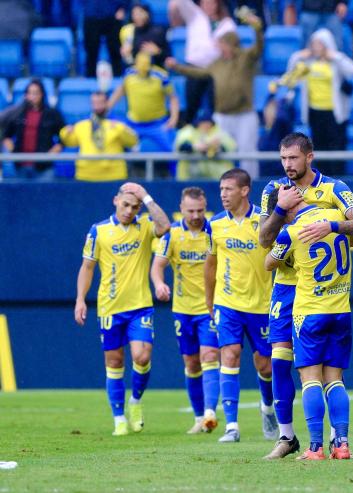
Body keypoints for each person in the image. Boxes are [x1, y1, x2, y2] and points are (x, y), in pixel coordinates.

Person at [258, 132, 353, 460]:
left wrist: (332, 228)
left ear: (309, 157)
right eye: (283, 159)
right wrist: (281, 210)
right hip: (288, 288)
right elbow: (264, 240)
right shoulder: (274, 191)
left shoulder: (336, 189)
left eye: (293, 158)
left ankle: (326, 442)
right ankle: (287, 436)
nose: (287, 166)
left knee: (317, 373)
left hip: (316, 293)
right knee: (280, 363)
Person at [264, 188, 353, 460]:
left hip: (310, 312)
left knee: (310, 379)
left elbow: (269, 262)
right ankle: (342, 444)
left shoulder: (291, 232)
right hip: (341, 309)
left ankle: (315, 447)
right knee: (334, 380)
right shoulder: (335, 215)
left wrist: (284, 239)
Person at [74, 182, 171, 436]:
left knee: (142, 356)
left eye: (134, 206)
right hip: (110, 307)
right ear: (116, 200)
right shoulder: (99, 231)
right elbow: (87, 267)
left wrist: (146, 196)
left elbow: (165, 226)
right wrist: (80, 299)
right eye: (126, 204)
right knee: (114, 362)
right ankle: (118, 418)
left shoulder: (145, 226)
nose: (129, 210)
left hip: (140, 306)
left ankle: (135, 402)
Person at [204, 168, 278, 443]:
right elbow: (210, 265)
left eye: (229, 189)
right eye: (221, 189)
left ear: (245, 190)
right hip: (228, 303)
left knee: (265, 365)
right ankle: (231, 426)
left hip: (261, 304)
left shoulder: (264, 221)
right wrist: (210, 302)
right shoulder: (215, 225)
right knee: (230, 354)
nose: (223, 194)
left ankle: (267, 407)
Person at [151, 187, 221, 434]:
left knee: (210, 356)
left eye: (200, 210)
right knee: (192, 364)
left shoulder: (214, 230)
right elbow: (157, 266)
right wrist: (160, 284)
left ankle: (211, 412)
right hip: (182, 309)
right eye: (190, 210)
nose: (195, 215)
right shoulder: (171, 235)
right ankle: (199, 416)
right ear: (181, 208)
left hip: (209, 308)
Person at [166, 11, 263, 177]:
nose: (218, 47)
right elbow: (199, 73)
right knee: (219, 151)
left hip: (244, 115)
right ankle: (227, 185)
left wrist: (257, 29)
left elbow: (259, 47)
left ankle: (251, 186)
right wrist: (177, 67)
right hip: (222, 116)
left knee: (248, 154)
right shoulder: (216, 64)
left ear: (231, 44)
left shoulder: (246, 57)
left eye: (221, 44)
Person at [286, 28, 353, 176]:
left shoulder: (335, 62)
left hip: (334, 114)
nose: (316, 47)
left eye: (319, 44)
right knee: (319, 148)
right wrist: (297, 56)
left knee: (337, 149)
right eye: (314, 44)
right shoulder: (307, 63)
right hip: (315, 112)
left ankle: (338, 181)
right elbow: (290, 76)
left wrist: (336, 56)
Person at [108, 52, 179, 177]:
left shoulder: (161, 76)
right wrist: (107, 109)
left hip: (158, 124)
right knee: (118, 146)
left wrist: (173, 119)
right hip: (133, 124)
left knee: (172, 151)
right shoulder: (129, 74)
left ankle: (175, 177)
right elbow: (119, 92)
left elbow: (173, 98)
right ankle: (123, 177)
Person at [169, 0, 237, 124]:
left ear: (218, 5)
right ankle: (187, 133)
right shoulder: (195, 16)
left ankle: (217, 136)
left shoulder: (227, 23)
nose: (209, 6)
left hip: (217, 69)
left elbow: (233, 48)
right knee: (192, 105)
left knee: (216, 106)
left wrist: (224, 48)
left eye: (212, 3)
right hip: (195, 68)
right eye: (205, 3)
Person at [59, 92, 138, 181]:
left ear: (107, 103)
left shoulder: (118, 123)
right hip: (85, 175)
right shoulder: (82, 124)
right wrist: (65, 132)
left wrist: (121, 129)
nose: (97, 106)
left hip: (114, 176)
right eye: (94, 103)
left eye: (100, 102)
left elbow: (132, 142)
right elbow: (69, 142)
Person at [2, 79, 65, 180]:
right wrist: (12, 150)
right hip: (20, 167)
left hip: (44, 168)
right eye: (30, 93)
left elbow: (63, 136)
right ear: (25, 95)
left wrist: (52, 153)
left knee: (44, 195)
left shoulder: (52, 114)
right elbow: (6, 134)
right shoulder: (17, 113)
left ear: (42, 95)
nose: (33, 96)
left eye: (36, 93)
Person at [174, 111, 237, 180]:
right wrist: (194, 147)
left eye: (208, 122)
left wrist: (218, 148)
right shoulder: (188, 131)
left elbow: (231, 147)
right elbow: (180, 146)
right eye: (202, 122)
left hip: (217, 179)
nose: (205, 125)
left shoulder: (219, 132)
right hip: (190, 177)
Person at [81, 0, 127, 78]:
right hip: (91, 15)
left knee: (116, 52)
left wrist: (123, 7)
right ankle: (90, 82)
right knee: (91, 53)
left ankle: (118, 80)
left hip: (113, 14)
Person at [119, 2, 170, 68]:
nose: (137, 17)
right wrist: (126, 56)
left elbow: (169, 56)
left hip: (156, 70)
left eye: (140, 13)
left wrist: (158, 51)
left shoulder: (158, 31)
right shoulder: (129, 31)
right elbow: (129, 61)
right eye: (134, 14)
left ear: (147, 13)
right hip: (137, 71)